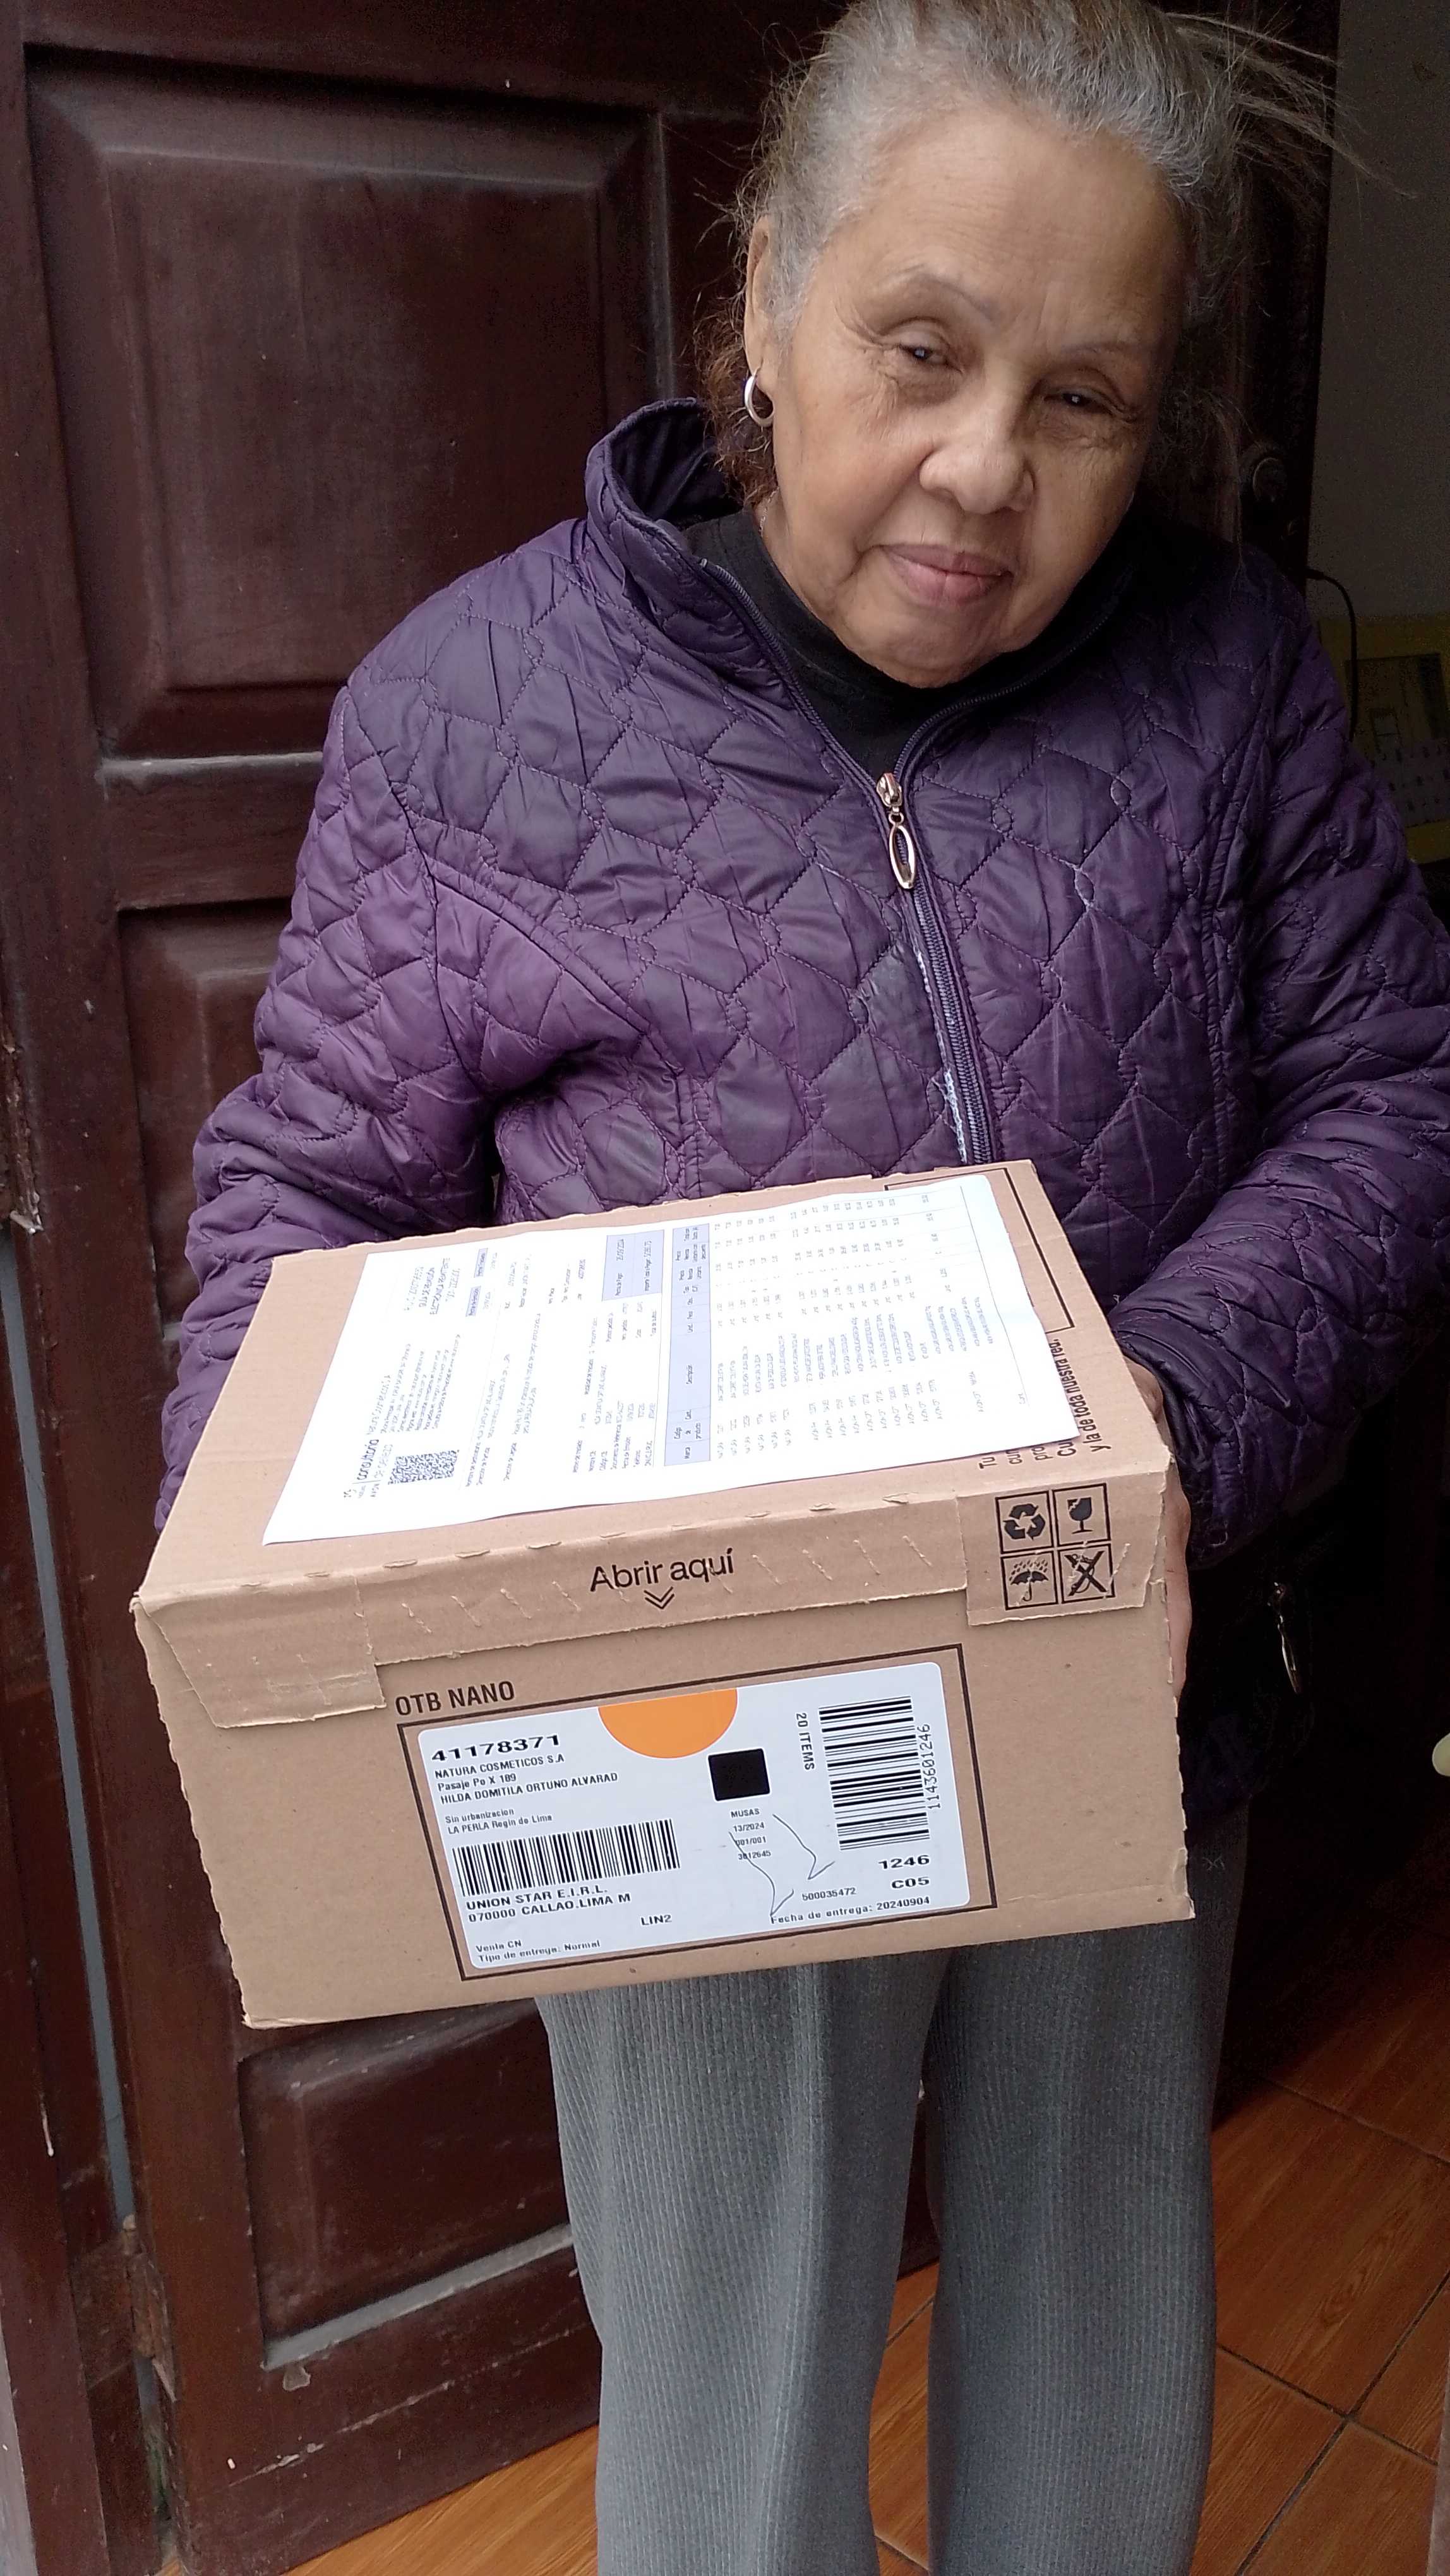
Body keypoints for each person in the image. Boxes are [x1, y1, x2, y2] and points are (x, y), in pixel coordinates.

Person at [158, 3, 1450, 2568]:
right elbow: (310, 1191)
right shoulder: (478, 710)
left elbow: (1394, 1089)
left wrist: (1158, 1418)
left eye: (1082, 398)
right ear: (763, 293)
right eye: (922, 351)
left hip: (1119, 1668)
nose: (985, 469)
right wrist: (292, 1630)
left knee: (1093, 2352)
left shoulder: (1224, 679)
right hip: (687, 1751)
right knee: (724, 2424)